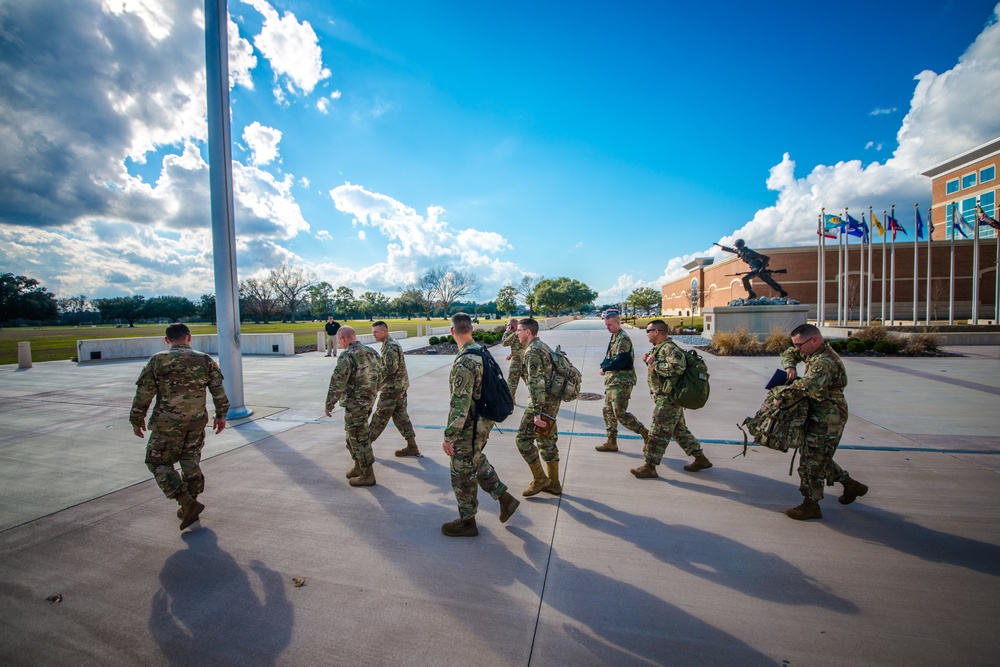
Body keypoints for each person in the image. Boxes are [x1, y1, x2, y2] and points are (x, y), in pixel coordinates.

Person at [129, 323, 229, 531]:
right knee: (190, 462)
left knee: (156, 461)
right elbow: (218, 391)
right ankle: (188, 506)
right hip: (196, 421)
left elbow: (144, 393)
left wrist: (136, 418)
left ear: (167, 340)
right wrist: (221, 415)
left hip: (167, 424)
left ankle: (186, 503)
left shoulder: (158, 360)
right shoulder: (204, 360)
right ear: (188, 338)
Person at [776, 323, 868, 520]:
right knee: (817, 456)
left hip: (829, 417)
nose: (797, 349)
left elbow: (806, 386)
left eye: (800, 345)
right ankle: (851, 485)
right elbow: (788, 354)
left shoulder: (824, 362)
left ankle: (811, 505)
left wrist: (781, 394)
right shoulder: (813, 351)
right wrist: (790, 366)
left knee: (811, 461)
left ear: (814, 340)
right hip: (818, 411)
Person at [440, 313, 520, 537]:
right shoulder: (481, 351)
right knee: (474, 458)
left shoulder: (465, 361)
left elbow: (460, 405)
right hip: (483, 422)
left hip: (470, 425)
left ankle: (467, 522)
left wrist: (449, 437)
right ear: (472, 329)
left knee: (461, 471)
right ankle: (505, 499)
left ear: (452, 331)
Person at [631, 320, 713, 479]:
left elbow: (678, 368)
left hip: (668, 398)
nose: (646, 334)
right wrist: (650, 359)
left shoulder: (670, 348)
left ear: (656, 332)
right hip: (666, 396)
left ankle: (650, 466)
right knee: (679, 430)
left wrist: (654, 363)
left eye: (648, 331)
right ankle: (701, 459)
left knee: (657, 432)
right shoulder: (661, 348)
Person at [325, 326, 381, 487]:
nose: (340, 344)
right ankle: (359, 466)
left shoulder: (347, 356)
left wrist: (329, 404)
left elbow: (337, 382)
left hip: (355, 404)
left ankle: (367, 474)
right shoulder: (371, 352)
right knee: (353, 435)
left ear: (343, 338)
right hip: (368, 401)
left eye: (339, 340)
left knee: (358, 437)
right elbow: (381, 374)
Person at [514, 317, 563, 497]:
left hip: (541, 405)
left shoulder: (533, 352)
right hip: (551, 403)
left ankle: (540, 479)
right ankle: (555, 484)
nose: (516, 333)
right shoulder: (542, 346)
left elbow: (536, 384)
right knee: (546, 441)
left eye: (518, 330)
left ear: (527, 332)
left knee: (523, 440)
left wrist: (536, 413)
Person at [596, 310, 649, 452]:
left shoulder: (623, 338)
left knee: (619, 412)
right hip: (612, 381)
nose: (608, 328)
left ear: (618, 323)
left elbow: (622, 361)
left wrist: (605, 368)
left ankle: (645, 434)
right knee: (607, 411)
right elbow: (609, 357)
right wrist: (603, 365)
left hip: (622, 381)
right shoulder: (614, 336)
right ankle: (611, 441)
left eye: (610, 325)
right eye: (606, 325)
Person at [368, 320, 420, 457]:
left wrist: (374, 377)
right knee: (400, 416)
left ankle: (364, 446)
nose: (374, 334)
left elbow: (390, 368)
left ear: (385, 331)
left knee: (380, 416)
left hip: (392, 388)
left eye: (376, 332)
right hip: (400, 386)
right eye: (373, 332)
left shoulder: (389, 346)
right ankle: (412, 446)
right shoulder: (390, 343)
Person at [714, 239, 788, 299]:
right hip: (754, 269)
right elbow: (732, 250)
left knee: (745, 279)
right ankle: (783, 292)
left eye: (736, 246)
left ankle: (752, 294)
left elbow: (766, 258)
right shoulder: (740, 251)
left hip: (758, 268)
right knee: (770, 281)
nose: (736, 248)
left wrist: (762, 268)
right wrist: (720, 246)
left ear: (739, 245)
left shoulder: (749, 252)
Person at [501, 317, 526, 402]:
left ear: (513, 325)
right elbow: (520, 347)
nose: (508, 326)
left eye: (509, 325)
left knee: (511, 383)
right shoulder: (524, 332)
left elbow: (504, 343)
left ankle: (509, 401)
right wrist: (512, 354)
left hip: (517, 361)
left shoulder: (515, 334)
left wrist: (507, 332)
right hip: (525, 359)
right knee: (530, 381)